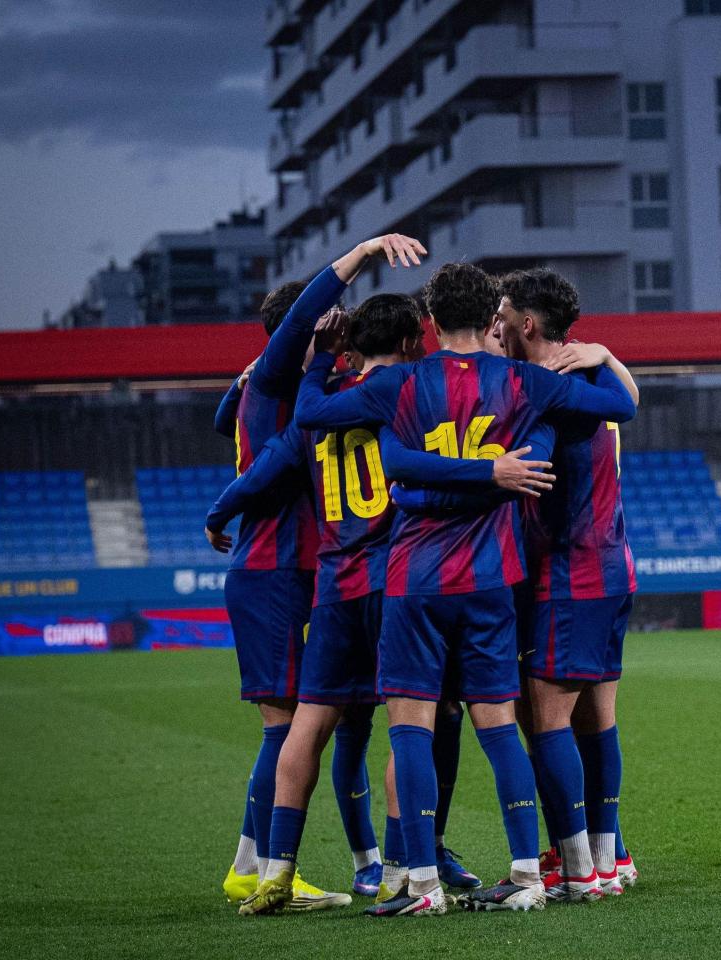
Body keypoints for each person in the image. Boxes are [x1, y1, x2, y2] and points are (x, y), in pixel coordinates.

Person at [294, 262, 638, 917]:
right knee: (502, 727)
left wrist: (319, 362)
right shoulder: (525, 383)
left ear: (429, 320)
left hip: (416, 578)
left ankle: (422, 884)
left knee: (410, 730)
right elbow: (620, 407)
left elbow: (320, 419)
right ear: (489, 321)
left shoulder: (398, 382)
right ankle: (530, 872)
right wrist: (600, 358)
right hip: (491, 578)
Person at [388, 268, 642, 902]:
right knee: (596, 720)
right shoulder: (586, 377)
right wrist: (608, 353)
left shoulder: (542, 389)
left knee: (545, 720)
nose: (494, 325)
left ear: (526, 323)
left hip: (566, 570)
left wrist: (425, 488)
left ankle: (577, 869)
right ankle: (608, 857)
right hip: (611, 565)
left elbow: (516, 470)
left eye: (502, 315)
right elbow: (628, 403)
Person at [216, 233, 425, 912]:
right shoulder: (309, 387)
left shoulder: (296, 394)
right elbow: (268, 465)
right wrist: (362, 254)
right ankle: (280, 868)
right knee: (306, 725)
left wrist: (220, 509)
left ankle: (302, 864)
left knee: (327, 723)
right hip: (286, 569)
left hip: (321, 576)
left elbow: (235, 431)